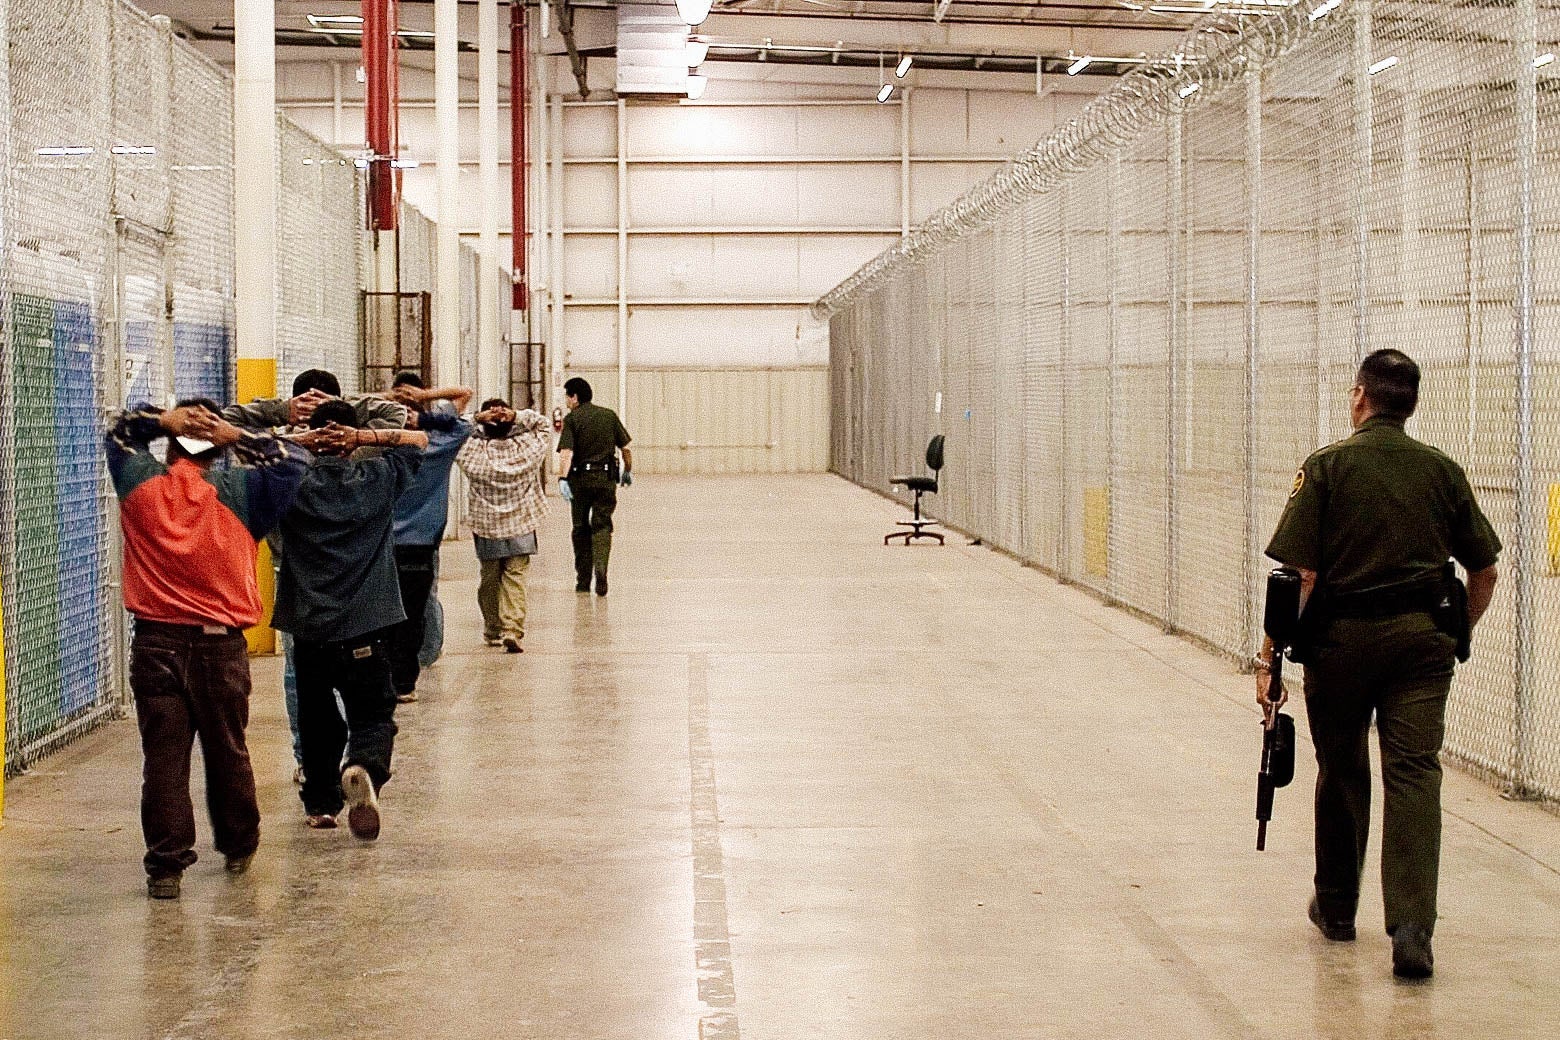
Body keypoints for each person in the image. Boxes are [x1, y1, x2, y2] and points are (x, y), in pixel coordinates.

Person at [1259, 348, 1501, 981]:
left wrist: (1268, 658)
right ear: (1411, 404)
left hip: (1340, 646)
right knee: (1415, 774)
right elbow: (1485, 570)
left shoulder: (1329, 468)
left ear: (1361, 397)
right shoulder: (1442, 472)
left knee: (1342, 768)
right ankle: (1413, 929)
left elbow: (1300, 575)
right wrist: (1452, 634)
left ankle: (1337, 909)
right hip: (1422, 648)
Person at [106, 399, 312, 899]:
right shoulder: (244, 494)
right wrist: (235, 435)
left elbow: (118, 431)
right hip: (219, 646)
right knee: (227, 749)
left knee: (164, 759)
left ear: (171, 442)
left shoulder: (139, 484)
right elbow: (293, 460)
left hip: (155, 641)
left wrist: (159, 421)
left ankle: (166, 866)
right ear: (216, 449)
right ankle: (239, 845)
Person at [224, 369, 407, 783]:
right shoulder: (361, 456)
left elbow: (225, 427)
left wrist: (309, 420)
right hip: (354, 580)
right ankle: (354, 759)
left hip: (298, 580)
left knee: (305, 681)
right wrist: (308, 416)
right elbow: (400, 423)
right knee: (360, 686)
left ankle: (313, 767)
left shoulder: (278, 462)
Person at [271, 400, 428, 840]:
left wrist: (301, 440)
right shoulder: (377, 478)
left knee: (317, 719)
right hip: (367, 624)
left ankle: (322, 804)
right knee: (374, 712)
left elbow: (251, 448)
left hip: (310, 627)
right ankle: (362, 764)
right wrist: (360, 438)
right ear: (350, 439)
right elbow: (417, 440)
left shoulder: (291, 483)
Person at [384, 371, 474, 701]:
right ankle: (405, 681)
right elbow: (464, 393)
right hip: (421, 541)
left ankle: (385, 675)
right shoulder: (442, 439)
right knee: (414, 610)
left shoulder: (375, 442)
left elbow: (344, 406)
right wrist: (422, 398)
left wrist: (391, 399)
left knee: (383, 611)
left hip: (379, 540)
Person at [456, 400, 551, 652]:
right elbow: (544, 425)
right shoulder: (526, 448)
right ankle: (512, 629)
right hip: (521, 524)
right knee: (515, 577)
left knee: (489, 578)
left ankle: (492, 628)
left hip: (487, 526)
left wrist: (476, 417)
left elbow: (452, 431)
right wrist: (517, 415)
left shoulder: (472, 451)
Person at [556, 377, 632, 596]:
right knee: (602, 526)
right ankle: (601, 568)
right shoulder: (608, 415)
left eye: (567, 397)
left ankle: (583, 580)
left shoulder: (572, 419)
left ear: (575, 397)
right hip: (605, 480)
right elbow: (625, 447)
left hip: (580, 481)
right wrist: (627, 470)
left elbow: (566, 453)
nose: (567, 401)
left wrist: (563, 478)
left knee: (580, 528)